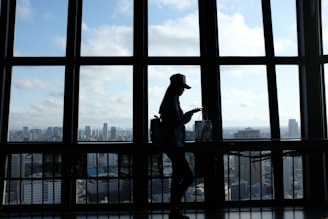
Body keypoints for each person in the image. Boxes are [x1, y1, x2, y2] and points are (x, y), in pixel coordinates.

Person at [159, 73, 201, 219]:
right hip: (174, 144)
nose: (183, 90)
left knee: (177, 177)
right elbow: (176, 123)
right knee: (188, 176)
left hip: (173, 144)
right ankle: (175, 204)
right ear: (177, 87)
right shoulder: (172, 101)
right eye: (182, 87)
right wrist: (188, 115)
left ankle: (174, 209)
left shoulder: (171, 100)